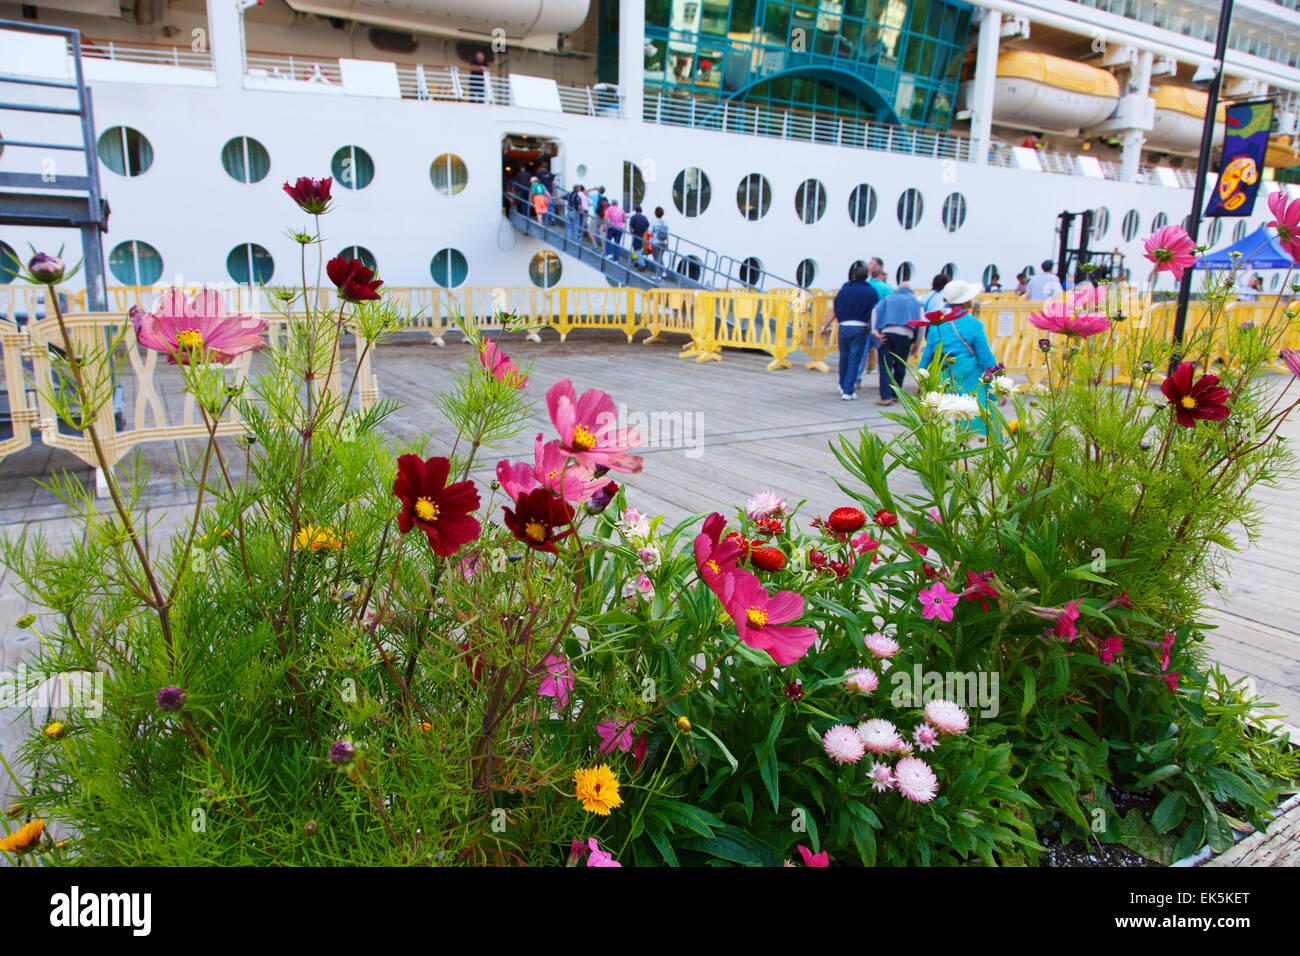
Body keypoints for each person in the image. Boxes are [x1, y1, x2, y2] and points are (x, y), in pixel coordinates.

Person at [919, 279, 1001, 431]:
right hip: (968, 378)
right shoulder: (974, 325)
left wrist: (921, 379)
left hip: (943, 377)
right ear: (967, 301)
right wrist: (996, 384)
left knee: (945, 424)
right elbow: (986, 358)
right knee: (971, 420)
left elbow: (927, 355)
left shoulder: (937, 324)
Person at [818, 261, 880, 402]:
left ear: (853, 275)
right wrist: (874, 329)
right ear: (867, 276)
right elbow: (875, 312)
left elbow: (834, 309)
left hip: (843, 327)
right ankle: (848, 390)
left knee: (844, 357)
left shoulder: (844, 290)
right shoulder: (871, 292)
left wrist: (824, 327)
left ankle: (842, 384)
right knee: (855, 358)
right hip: (860, 327)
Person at [872, 280, 923, 405]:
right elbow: (922, 324)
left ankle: (885, 396)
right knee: (900, 364)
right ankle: (896, 393)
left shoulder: (888, 298)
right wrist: (917, 343)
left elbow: (875, 311)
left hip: (887, 332)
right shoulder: (916, 302)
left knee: (885, 365)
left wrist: (875, 332)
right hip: (905, 334)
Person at [628, 205, 650, 270]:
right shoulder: (644, 218)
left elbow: (630, 226)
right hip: (643, 234)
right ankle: (636, 261)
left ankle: (641, 264)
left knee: (637, 249)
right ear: (641, 211)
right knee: (638, 249)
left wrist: (631, 232)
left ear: (636, 211)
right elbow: (647, 226)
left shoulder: (634, 217)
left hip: (636, 234)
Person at [650, 207, 669, 279]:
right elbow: (666, 233)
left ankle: (658, 275)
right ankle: (664, 272)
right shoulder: (665, 221)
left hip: (656, 242)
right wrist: (667, 244)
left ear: (655, 213)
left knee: (656, 259)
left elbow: (649, 231)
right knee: (660, 258)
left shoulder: (653, 221)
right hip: (664, 242)